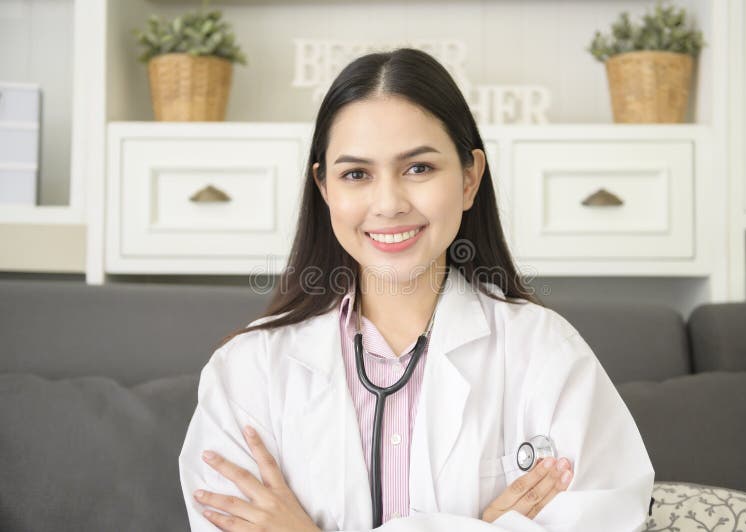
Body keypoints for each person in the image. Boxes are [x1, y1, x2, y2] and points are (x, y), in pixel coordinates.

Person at [178, 47, 654, 531]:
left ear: (470, 179)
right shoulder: (248, 372)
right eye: (356, 174)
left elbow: (609, 517)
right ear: (325, 190)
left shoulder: (545, 352)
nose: (388, 203)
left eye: (418, 168)